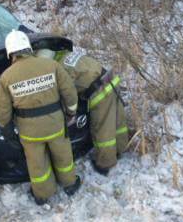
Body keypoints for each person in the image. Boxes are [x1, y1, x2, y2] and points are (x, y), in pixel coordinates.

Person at [0, 30, 82, 205]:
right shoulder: (50, 66)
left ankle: (43, 194)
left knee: (37, 164)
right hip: (55, 124)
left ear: (10, 52)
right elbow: (70, 93)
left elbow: (2, 110)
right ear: (28, 47)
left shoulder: (6, 77)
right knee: (63, 155)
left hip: (30, 132)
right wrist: (71, 112)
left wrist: (7, 130)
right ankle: (69, 184)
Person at [36, 47, 128, 176]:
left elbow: (66, 94)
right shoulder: (64, 54)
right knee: (117, 121)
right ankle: (121, 147)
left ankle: (105, 164)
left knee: (103, 130)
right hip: (110, 79)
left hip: (100, 92)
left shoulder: (56, 69)